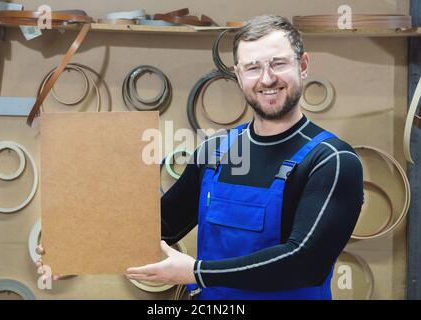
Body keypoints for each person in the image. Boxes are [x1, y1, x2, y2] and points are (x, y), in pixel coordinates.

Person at [38, 15, 364, 300]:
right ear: (238, 75)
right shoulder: (216, 151)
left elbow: (304, 263)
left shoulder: (332, 161)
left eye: (278, 63)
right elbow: (160, 225)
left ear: (303, 65)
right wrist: (77, 252)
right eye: (253, 67)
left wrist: (196, 272)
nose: (266, 79)